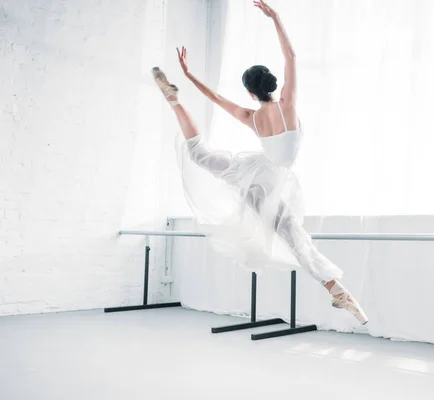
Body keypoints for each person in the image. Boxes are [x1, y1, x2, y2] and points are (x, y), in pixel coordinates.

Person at [152, 0, 368, 325]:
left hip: (251, 174)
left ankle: (174, 100)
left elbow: (216, 98)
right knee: (296, 240)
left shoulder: (252, 117)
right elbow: (291, 57)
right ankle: (337, 290)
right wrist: (275, 17)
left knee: (199, 154)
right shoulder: (287, 106)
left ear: (251, 94)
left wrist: (188, 73)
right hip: (269, 181)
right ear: (272, 86)